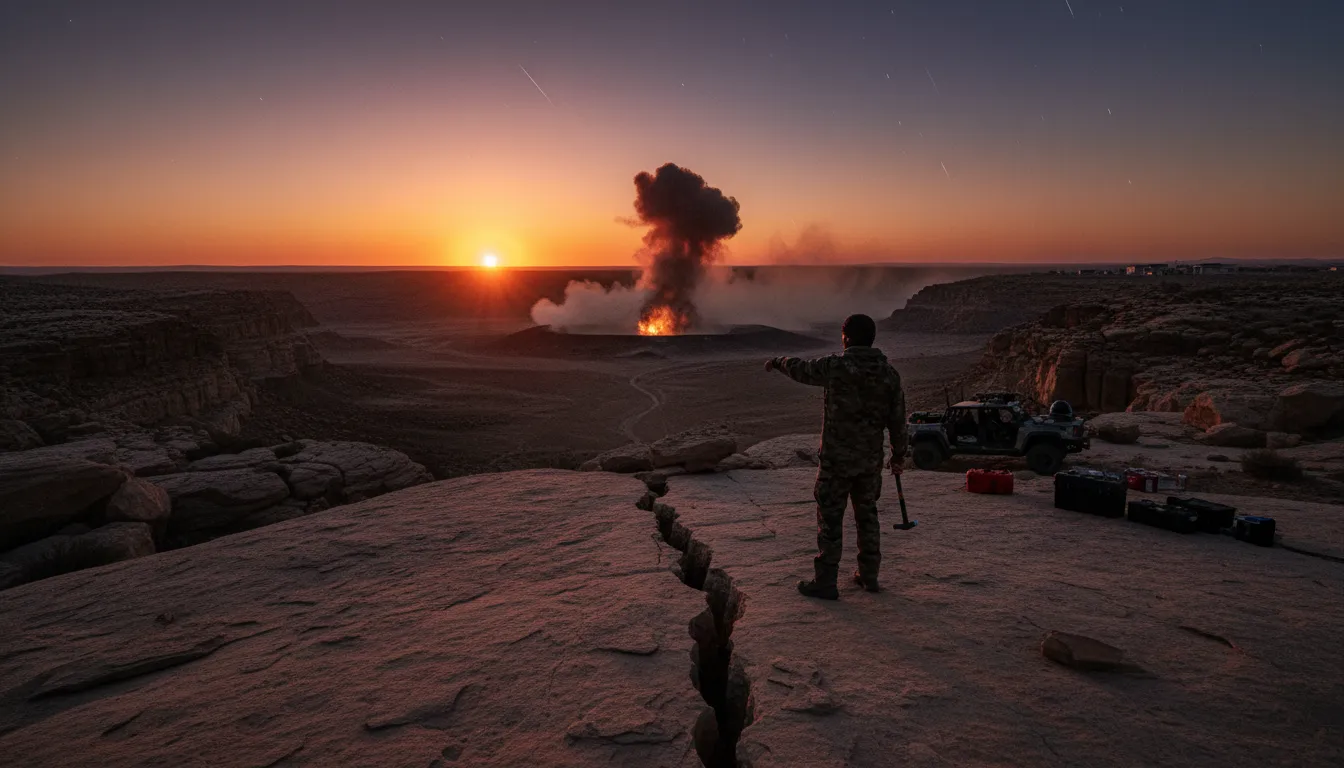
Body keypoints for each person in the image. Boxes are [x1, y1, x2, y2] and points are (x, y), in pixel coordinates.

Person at [765, 313, 907, 600]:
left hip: (836, 462)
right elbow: (898, 420)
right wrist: (898, 455)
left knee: (830, 520)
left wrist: (778, 361)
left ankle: (826, 581)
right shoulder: (889, 374)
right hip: (869, 463)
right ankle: (869, 576)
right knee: (867, 516)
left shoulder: (837, 367)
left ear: (847, 337)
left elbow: (802, 370)